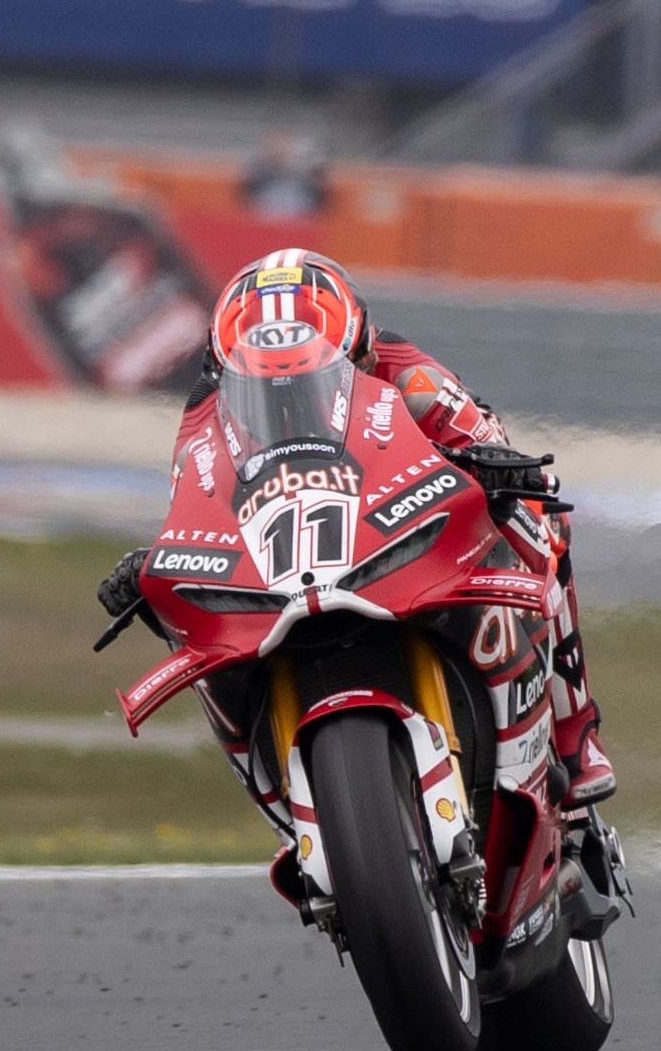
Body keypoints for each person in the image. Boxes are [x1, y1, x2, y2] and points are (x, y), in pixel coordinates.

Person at [94, 252, 614, 911]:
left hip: (404, 536)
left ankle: (576, 735)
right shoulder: (203, 424)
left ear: (358, 350)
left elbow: (488, 440)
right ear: (224, 374)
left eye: (307, 380)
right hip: (294, 570)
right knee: (198, 631)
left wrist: (497, 467)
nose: (285, 401)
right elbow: (193, 509)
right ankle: (305, 808)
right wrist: (153, 566)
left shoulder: (411, 376)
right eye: (265, 389)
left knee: (542, 524)